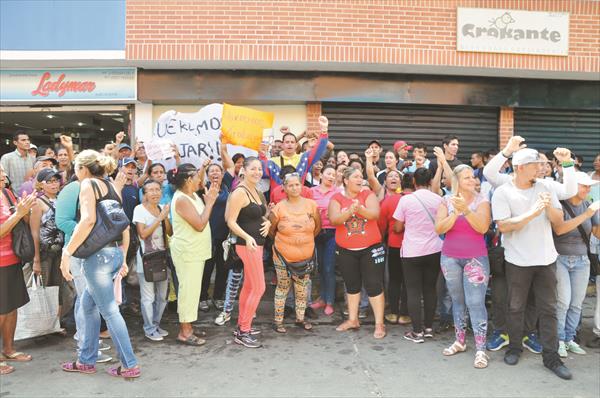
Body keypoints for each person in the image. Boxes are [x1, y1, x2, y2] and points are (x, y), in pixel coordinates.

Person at [483, 137, 577, 353]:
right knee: (515, 306)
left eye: (542, 164)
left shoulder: (546, 185)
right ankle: (514, 347)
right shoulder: (505, 187)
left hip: (546, 259)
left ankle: (547, 351)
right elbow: (489, 173)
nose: (542, 168)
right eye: (536, 165)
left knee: (546, 308)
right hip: (516, 259)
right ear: (521, 167)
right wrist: (507, 150)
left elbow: (569, 191)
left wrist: (568, 164)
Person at [59, 150, 139, 378]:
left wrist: (67, 252)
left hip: (97, 258)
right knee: (87, 306)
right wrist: (122, 258)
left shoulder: (88, 185)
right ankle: (86, 360)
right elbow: (124, 226)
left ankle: (129, 364)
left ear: (83, 168)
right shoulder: (112, 187)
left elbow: (88, 220)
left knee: (110, 311)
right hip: (112, 253)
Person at [434, 164, 491, 368]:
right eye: (466, 178)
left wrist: (466, 210)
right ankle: (460, 341)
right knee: (457, 300)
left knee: (476, 303)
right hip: (450, 258)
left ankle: (481, 349)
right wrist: (454, 213)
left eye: (472, 177)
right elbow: (439, 228)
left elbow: (483, 227)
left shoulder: (482, 201)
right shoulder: (446, 201)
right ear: (457, 180)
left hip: (476, 259)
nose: (472, 181)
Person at [55, 175, 112, 364]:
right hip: (78, 252)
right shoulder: (73, 188)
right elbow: (62, 221)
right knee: (86, 300)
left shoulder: (95, 186)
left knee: (87, 300)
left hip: (92, 250)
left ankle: (88, 342)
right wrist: (93, 233)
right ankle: (86, 347)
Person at [328, 167, 386, 339]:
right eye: (356, 177)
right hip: (346, 250)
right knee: (351, 286)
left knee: (374, 285)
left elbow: (375, 214)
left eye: (361, 176)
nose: (360, 179)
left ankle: (379, 324)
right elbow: (334, 220)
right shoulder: (336, 198)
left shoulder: (367, 194)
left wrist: (359, 210)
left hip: (371, 249)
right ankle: (352, 319)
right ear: (346, 180)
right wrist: (349, 211)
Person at [168, 163, 218, 346]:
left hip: (195, 251)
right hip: (187, 252)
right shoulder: (181, 199)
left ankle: (188, 325)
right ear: (189, 180)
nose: (200, 179)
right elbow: (199, 224)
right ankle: (185, 332)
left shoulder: (192, 196)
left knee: (192, 291)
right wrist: (211, 202)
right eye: (197, 176)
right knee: (188, 292)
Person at [393, 168, 444, 343]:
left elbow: (397, 227)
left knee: (413, 290)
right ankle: (429, 328)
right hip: (435, 250)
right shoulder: (439, 199)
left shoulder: (406, 200)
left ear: (414, 181)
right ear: (430, 181)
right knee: (430, 289)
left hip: (412, 251)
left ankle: (417, 332)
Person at [552, 172, 600, 357]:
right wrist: (587, 214)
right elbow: (560, 229)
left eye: (589, 187)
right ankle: (560, 340)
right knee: (562, 302)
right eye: (584, 186)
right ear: (572, 186)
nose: (588, 190)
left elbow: (596, 234)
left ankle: (570, 339)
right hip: (560, 258)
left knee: (576, 304)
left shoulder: (589, 205)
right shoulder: (560, 205)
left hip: (582, 260)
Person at [225, 157, 270, 348]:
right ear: (243, 170)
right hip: (247, 245)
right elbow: (231, 221)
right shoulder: (239, 193)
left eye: (259, 169)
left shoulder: (257, 191)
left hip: (257, 244)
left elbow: (264, 213)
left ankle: (242, 326)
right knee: (259, 288)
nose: (257, 172)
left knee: (250, 287)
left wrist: (268, 222)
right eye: (253, 169)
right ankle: (243, 331)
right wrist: (247, 237)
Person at [269, 172, 321, 332]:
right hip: (282, 256)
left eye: (297, 184)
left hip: (305, 256)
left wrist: (302, 240)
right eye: (290, 185)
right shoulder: (279, 207)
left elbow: (317, 227)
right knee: (283, 287)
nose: (294, 187)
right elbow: (271, 231)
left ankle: (300, 318)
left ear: (302, 186)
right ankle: (278, 321)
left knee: (302, 288)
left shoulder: (311, 205)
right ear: (284, 188)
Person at [0, 165, 36, 375]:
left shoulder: (6, 193)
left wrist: (25, 210)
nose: (4, 175)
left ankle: (9, 349)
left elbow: (23, 221)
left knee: (11, 307)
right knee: (2, 311)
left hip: (13, 258)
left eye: (3, 171)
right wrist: (19, 214)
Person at [133, 180, 172, 341]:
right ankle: (149, 328)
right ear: (145, 193)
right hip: (146, 258)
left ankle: (156, 324)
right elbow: (142, 234)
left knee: (162, 296)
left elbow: (170, 232)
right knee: (148, 297)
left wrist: (165, 217)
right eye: (151, 190)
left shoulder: (162, 208)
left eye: (158, 189)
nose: (155, 193)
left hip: (162, 257)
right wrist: (159, 219)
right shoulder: (139, 210)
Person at [30, 169, 68, 319]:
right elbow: (34, 232)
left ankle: (56, 323)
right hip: (44, 253)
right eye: (49, 181)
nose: (54, 184)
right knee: (43, 287)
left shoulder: (63, 199)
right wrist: (36, 259)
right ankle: (42, 323)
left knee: (58, 287)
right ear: (41, 184)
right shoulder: (37, 203)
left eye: (56, 180)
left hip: (61, 251)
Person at [378, 172, 413, 326]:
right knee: (408, 281)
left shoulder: (390, 200)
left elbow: (381, 224)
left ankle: (393, 313)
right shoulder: (416, 199)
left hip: (394, 244)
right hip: (413, 246)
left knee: (394, 280)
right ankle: (405, 314)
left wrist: (382, 237)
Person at [199, 163, 234, 312]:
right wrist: (202, 167)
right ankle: (202, 298)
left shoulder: (226, 188)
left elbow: (231, 166)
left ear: (222, 173)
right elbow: (199, 180)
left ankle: (218, 297)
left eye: (217, 171)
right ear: (207, 175)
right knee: (206, 269)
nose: (215, 173)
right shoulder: (204, 188)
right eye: (211, 171)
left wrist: (224, 146)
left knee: (223, 268)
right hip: (208, 236)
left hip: (225, 236)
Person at [310, 166, 340, 316]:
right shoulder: (312, 191)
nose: (331, 177)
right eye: (328, 173)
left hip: (332, 232)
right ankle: (322, 298)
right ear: (321, 175)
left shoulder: (337, 192)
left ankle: (330, 301)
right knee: (320, 267)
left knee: (329, 267)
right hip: (316, 232)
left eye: (333, 175)